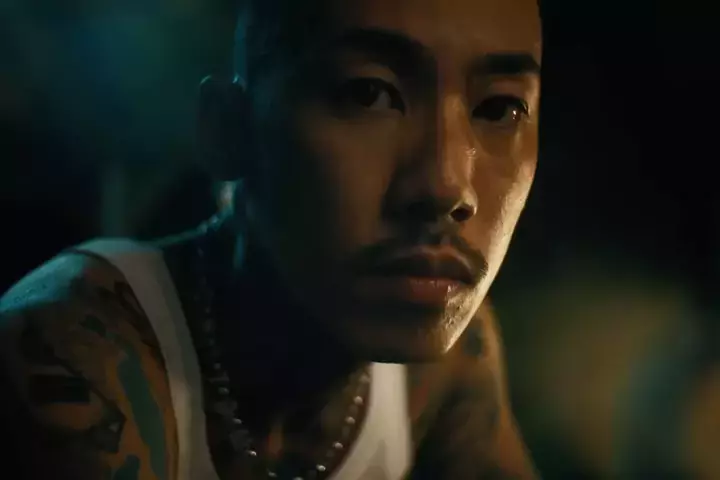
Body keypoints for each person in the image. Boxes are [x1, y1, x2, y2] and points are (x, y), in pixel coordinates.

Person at [0, 0, 543, 478]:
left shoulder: (446, 366)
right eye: (369, 94)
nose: (446, 186)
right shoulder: (70, 352)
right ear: (229, 130)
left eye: (500, 108)